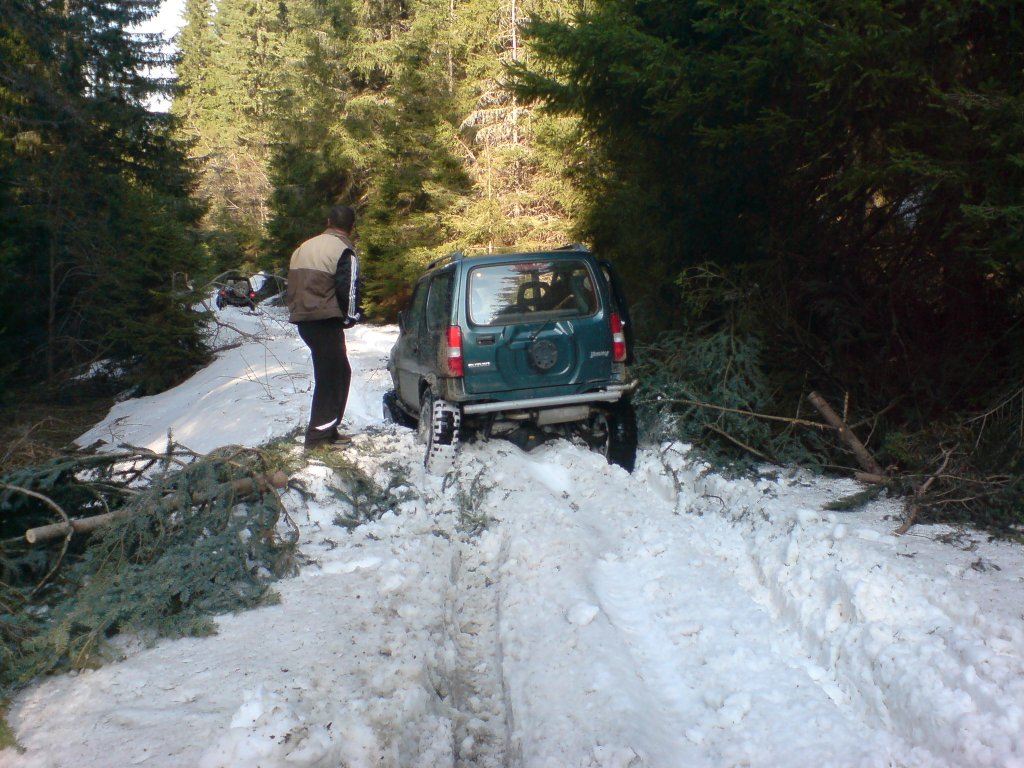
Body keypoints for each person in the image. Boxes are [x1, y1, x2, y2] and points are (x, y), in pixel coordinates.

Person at [286, 204, 362, 449]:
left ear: (329, 220)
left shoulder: (304, 247)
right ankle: (318, 438)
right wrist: (350, 318)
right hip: (325, 320)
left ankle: (328, 431)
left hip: (304, 320)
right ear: (351, 227)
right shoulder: (343, 249)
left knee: (330, 373)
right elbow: (347, 288)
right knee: (335, 376)